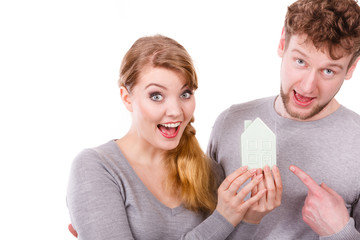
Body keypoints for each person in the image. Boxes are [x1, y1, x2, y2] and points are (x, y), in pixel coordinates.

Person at [66, 35, 281, 240]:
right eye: (156, 96)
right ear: (127, 98)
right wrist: (222, 219)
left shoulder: (210, 173)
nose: (176, 111)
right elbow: (217, 229)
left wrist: (250, 219)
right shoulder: (96, 168)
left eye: (185, 94)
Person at [207, 0, 360, 239]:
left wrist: (341, 233)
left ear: (351, 69)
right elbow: (203, 226)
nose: (308, 86)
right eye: (300, 61)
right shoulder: (230, 122)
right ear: (282, 44)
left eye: (328, 71)